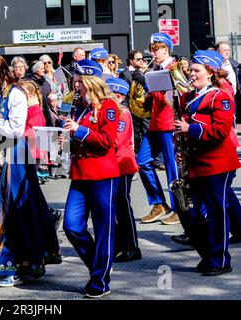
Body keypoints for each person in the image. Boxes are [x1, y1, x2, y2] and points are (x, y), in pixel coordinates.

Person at [0, 55, 59, 287]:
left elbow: (16, 129)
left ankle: (11, 268)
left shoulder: (15, 93)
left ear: (0, 72)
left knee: (10, 214)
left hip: (14, 157)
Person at [173, 50, 241, 275]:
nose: (191, 73)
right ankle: (208, 254)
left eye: (196, 70)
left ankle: (220, 260)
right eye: (191, 69)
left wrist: (189, 129)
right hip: (195, 163)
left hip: (217, 164)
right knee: (190, 212)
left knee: (216, 212)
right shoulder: (187, 97)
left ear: (210, 72)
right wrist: (179, 146)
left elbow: (221, 131)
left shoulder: (219, 96)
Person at [62, 59, 120, 298]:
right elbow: (77, 134)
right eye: (75, 81)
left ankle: (99, 280)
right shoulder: (80, 106)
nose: (75, 86)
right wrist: (65, 137)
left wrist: (79, 131)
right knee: (71, 225)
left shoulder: (108, 106)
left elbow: (107, 140)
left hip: (102, 174)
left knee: (103, 228)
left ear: (89, 81)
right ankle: (100, 265)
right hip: (80, 173)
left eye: (78, 82)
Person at [137, 33, 181, 225]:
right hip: (155, 123)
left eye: (156, 50)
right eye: (152, 50)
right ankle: (159, 203)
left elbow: (173, 100)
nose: (153, 53)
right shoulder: (156, 69)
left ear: (166, 49)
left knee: (172, 168)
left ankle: (180, 208)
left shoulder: (174, 69)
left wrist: (153, 88)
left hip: (169, 124)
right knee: (142, 161)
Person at [106, 77, 141, 263]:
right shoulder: (116, 111)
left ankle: (132, 246)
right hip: (115, 164)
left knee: (123, 206)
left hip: (123, 164)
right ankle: (121, 243)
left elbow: (117, 140)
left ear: (118, 96)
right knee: (117, 205)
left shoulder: (123, 113)